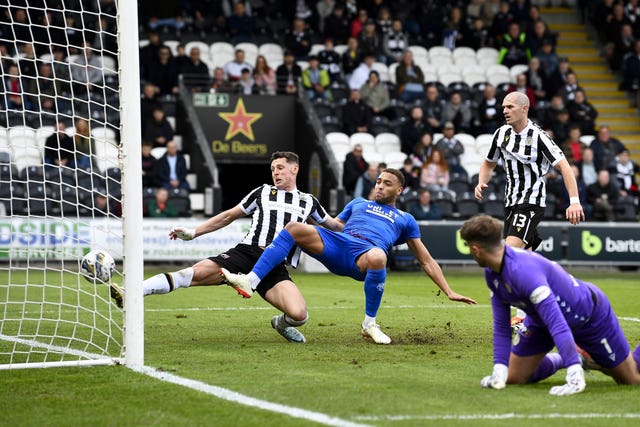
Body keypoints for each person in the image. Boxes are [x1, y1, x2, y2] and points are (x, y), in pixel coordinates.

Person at [222, 168, 477, 344]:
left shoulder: (405, 219)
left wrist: (449, 291)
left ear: (399, 190)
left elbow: (426, 260)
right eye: (378, 181)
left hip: (364, 256)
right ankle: (251, 280)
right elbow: (334, 225)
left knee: (379, 257)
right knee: (294, 228)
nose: (379, 186)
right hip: (339, 244)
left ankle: (369, 324)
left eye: (387, 183)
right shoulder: (357, 203)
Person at [126, 152, 342, 343]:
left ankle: (280, 324)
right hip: (246, 254)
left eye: (280, 168)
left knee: (300, 315)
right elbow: (229, 215)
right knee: (189, 274)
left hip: (274, 265)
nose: (275, 173)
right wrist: (194, 232)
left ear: (294, 169)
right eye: (273, 169)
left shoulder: (309, 201)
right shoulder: (262, 192)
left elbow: (335, 225)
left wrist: (361, 214)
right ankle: (134, 291)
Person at [459, 214, 640, 395]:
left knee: (631, 380)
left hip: (589, 317)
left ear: (476, 249)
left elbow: (557, 323)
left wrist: (574, 376)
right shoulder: (491, 273)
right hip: (540, 321)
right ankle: (575, 358)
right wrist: (499, 372)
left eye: (468, 247)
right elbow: (501, 326)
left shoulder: (524, 272)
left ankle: (581, 362)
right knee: (513, 377)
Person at [475, 91, 584, 251]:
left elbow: (565, 167)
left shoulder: (539, 136)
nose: (505, 111)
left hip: (531, 201)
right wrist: (481, 182)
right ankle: (548, 276)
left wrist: (574, 202)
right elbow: (488, 163)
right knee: (524, 260)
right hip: (511, 201)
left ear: (524, 109)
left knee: (508, 253)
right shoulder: (501, 134)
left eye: (510, 107)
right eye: (504, 107)